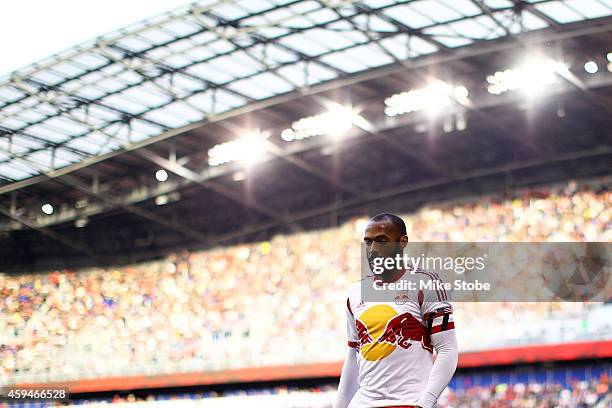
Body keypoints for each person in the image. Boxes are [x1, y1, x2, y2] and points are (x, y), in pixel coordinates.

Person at [334, 213, 458, 408]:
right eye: (368, 242)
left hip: (409, 402)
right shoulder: (355, 292)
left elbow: (447, 349)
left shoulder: (427, 283)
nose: (373, 249)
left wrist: (425, 403)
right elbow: (352, 357)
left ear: (402, 242)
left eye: (382, 240)